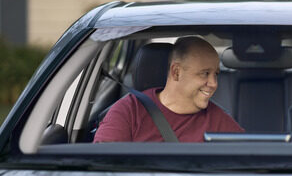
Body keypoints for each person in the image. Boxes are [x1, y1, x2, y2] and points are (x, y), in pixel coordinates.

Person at [94, 36, 243, 142]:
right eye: (205, 73)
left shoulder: (219, 120)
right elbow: (102, 169)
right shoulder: (129, 111)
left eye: (216, 74)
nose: (213, 83)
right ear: (176, 72)